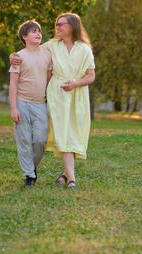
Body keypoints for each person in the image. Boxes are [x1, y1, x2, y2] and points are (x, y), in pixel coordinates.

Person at [10, 13, 95, 189]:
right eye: (56, 24)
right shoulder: (52, 46)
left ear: (72, 26)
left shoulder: (85, 49)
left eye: (60, 24)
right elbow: (32, 49)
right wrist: (13, 57)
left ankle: (65, 173)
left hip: (76, 96)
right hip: (56, 96)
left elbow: (91, 76)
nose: (57, 27)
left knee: (73, 134)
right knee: (64, 134)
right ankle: (67, 178)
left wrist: (75, 84)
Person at [9, 20, 53, 187]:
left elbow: (49, 81)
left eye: (39, 31)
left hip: (40, 103)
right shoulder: (18, 57)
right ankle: (29, 176)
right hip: (21, 102)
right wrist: (14, 108)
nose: (38, 34)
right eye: (34, 32)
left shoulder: (47, 55)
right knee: (24, 139)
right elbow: (13, 83)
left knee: (41, 139)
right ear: (24, 37)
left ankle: (31, 167)